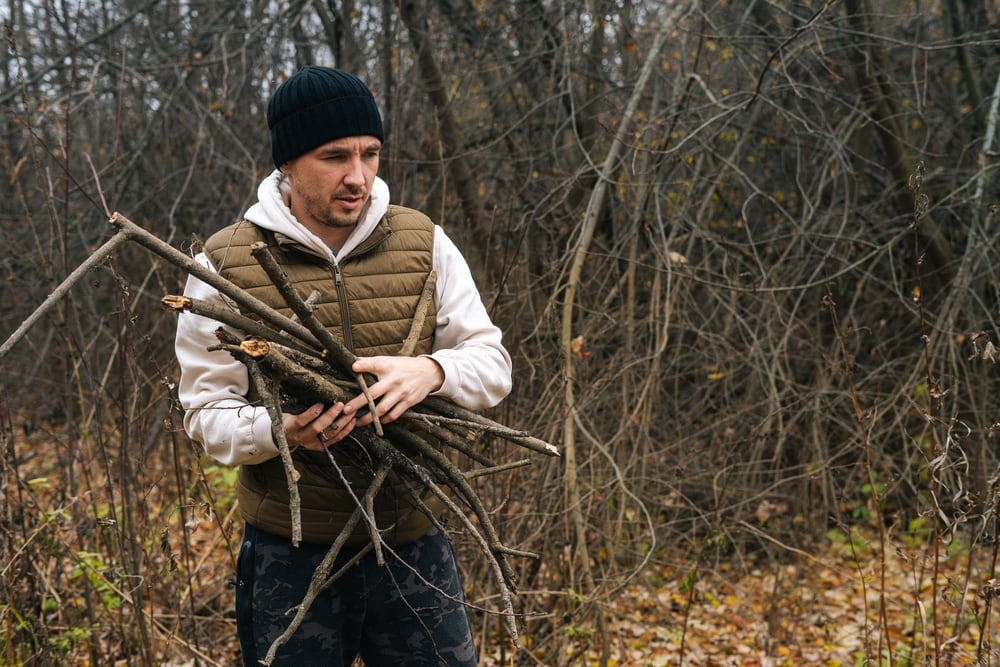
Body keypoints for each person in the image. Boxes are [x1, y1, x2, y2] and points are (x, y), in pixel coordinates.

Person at [173, 65, 512, 666]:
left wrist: (431, 371)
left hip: (413, 543)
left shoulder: (424, 241)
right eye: (334, 157)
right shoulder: (221, 264)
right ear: (288, 162)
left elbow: (492, 364)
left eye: (370, 153)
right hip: (290, 553)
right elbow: (205, 413)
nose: (357, 176)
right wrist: (280, 433)